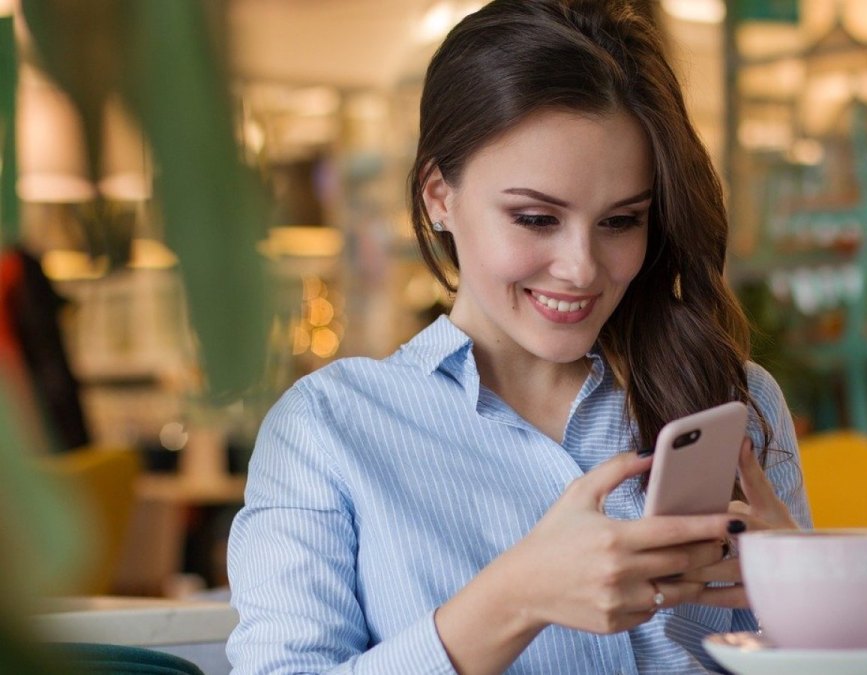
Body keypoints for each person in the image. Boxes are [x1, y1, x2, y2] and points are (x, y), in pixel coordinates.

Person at [225, 0, 811, 672]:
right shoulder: (327, 428)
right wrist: (515, 597)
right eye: (536, 217)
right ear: (437, 195)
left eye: (620, 221)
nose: (582, 268)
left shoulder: (731, 401)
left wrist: (812, 602)